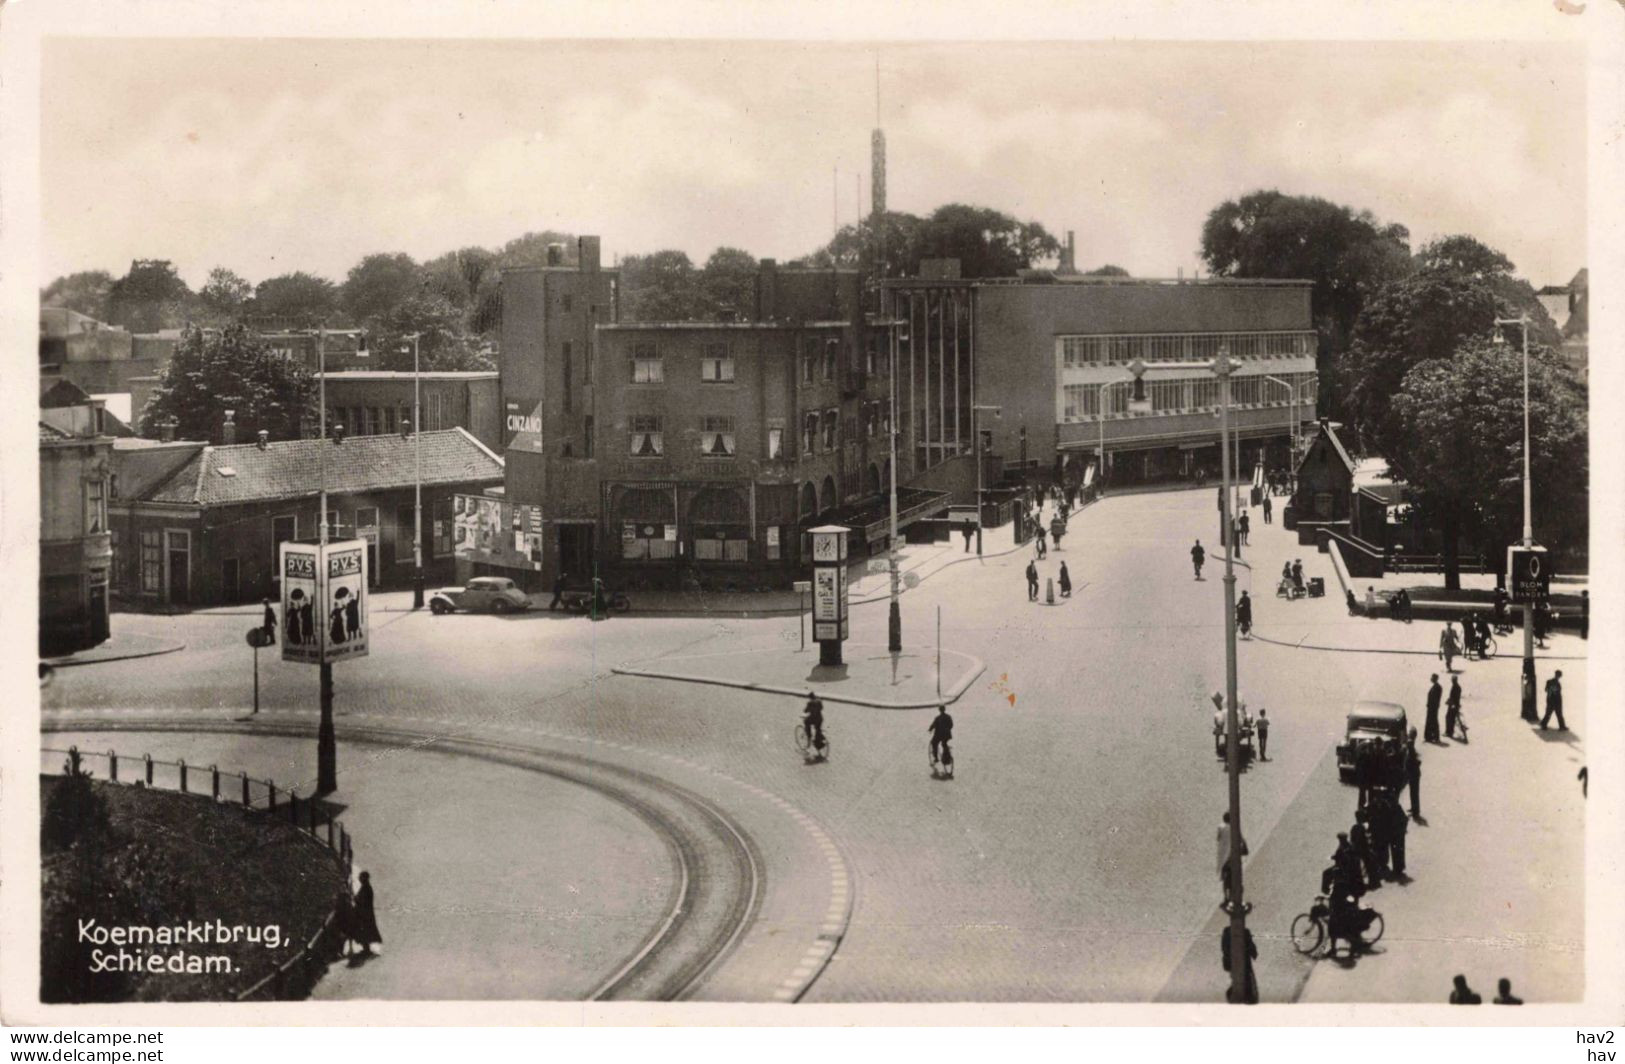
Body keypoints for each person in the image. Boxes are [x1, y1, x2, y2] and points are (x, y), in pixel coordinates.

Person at [1221, 924, 1259, 1004]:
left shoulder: (1227, 931)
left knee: (1239, 978)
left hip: (1234, 964)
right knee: (1246, 978)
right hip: (1244, 965)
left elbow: (1224, 949)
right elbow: (1253, 951)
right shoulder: (1245, 932)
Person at [1217, 811, 1248, 905]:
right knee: (1236, 876)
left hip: (1225, 858)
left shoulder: (1221, 828)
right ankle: (1234, 895)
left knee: (1225, 879)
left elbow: (1219, 839)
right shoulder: (1235, 829)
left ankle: (1226, 898)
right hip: (1234, 858)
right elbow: (1241, 840)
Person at [352, 871, 382, 957]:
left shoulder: (366, 888)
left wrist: (356, 899)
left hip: (364, 913)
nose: (359, 879)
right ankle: (366, 948)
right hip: (365, 913)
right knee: (365, 930)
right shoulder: (365, 887)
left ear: (364, 878)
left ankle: (366, 949)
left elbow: (362, 901)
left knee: (364, 930)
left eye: (361, 877)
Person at [1405, 728, 1423, 820]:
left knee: (1414, 792)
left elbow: (1414, 761)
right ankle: (1414, 808)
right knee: (1413, 792)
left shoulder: (1411, 750)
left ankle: (1416, 810)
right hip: (1414, 773)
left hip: (1414, 774)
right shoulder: (1412, 749)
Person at [1425, 674, 1443, 744]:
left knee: (1433, 721)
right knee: (1432, 721)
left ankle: (1434, 736)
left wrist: (1432, 706)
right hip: (1431, 707)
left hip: (1433, 707)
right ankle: (1431, 736)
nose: (1431, 679)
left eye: (1432, 678)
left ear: (1435, 679)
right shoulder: (1436, 686)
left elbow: (1436, 699)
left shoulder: (1437, 687)